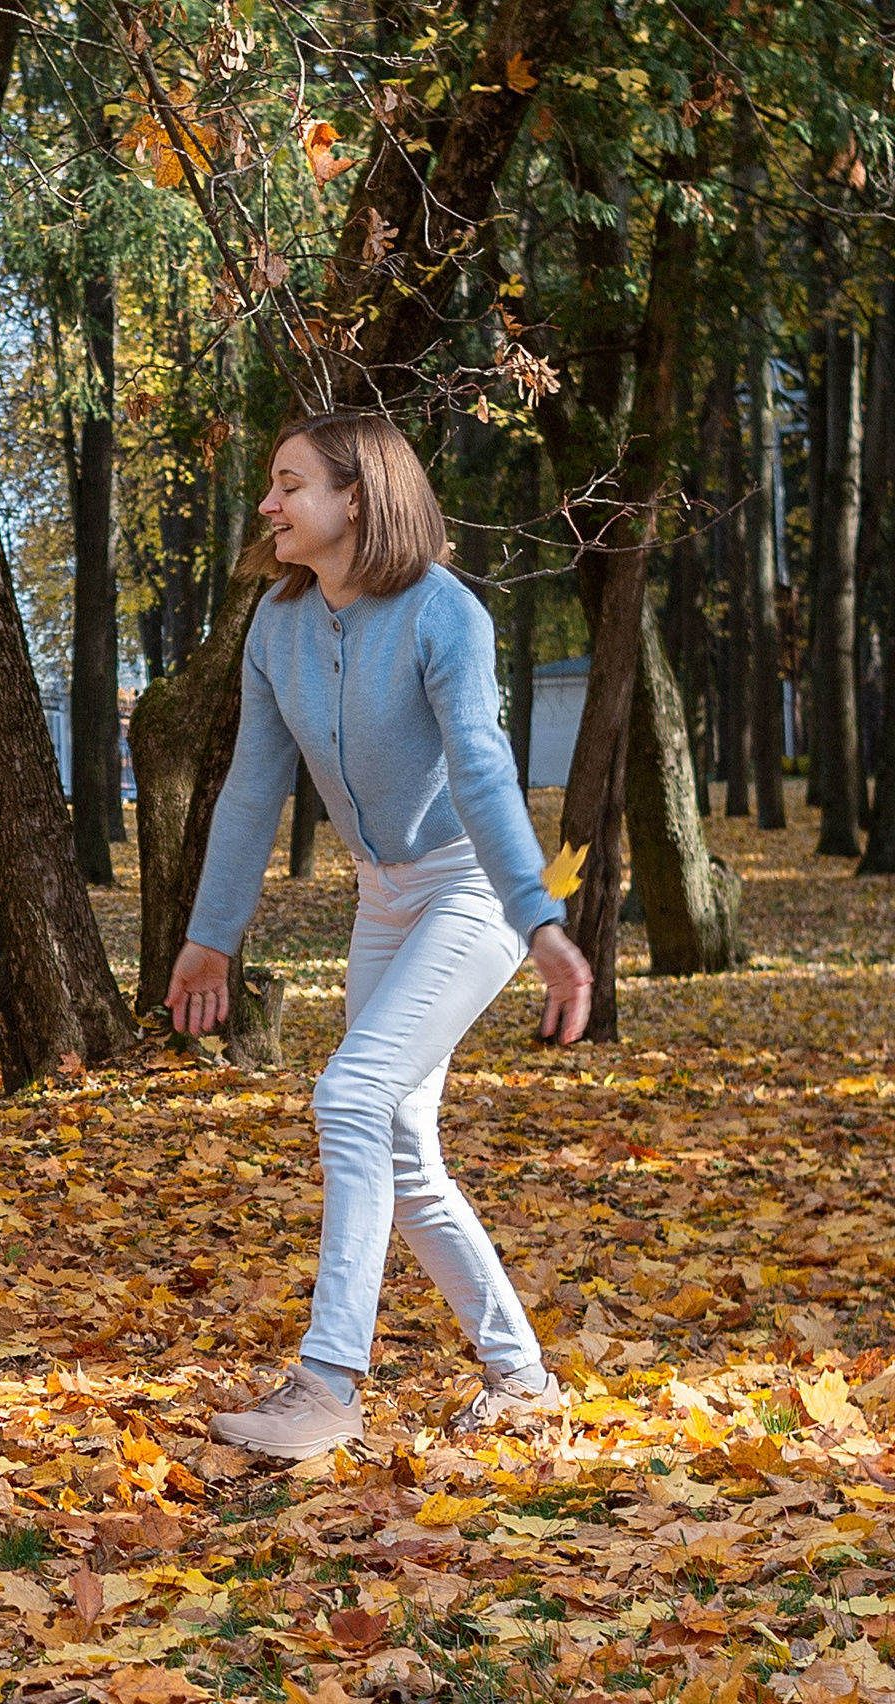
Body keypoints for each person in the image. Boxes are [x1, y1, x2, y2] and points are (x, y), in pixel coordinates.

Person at [167, 412, 594, 1461]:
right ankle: (524, 1377)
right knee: (403, 1153)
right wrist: (208, 935)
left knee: (351, 1093)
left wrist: (536, 916)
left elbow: (486, 771)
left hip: (468, 888)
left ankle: (327, 1382)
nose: (268, 504)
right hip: (382, 894)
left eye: (288, 483)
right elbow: (252, 785)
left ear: (354, 498)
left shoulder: (443, 612)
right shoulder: (278, 624)